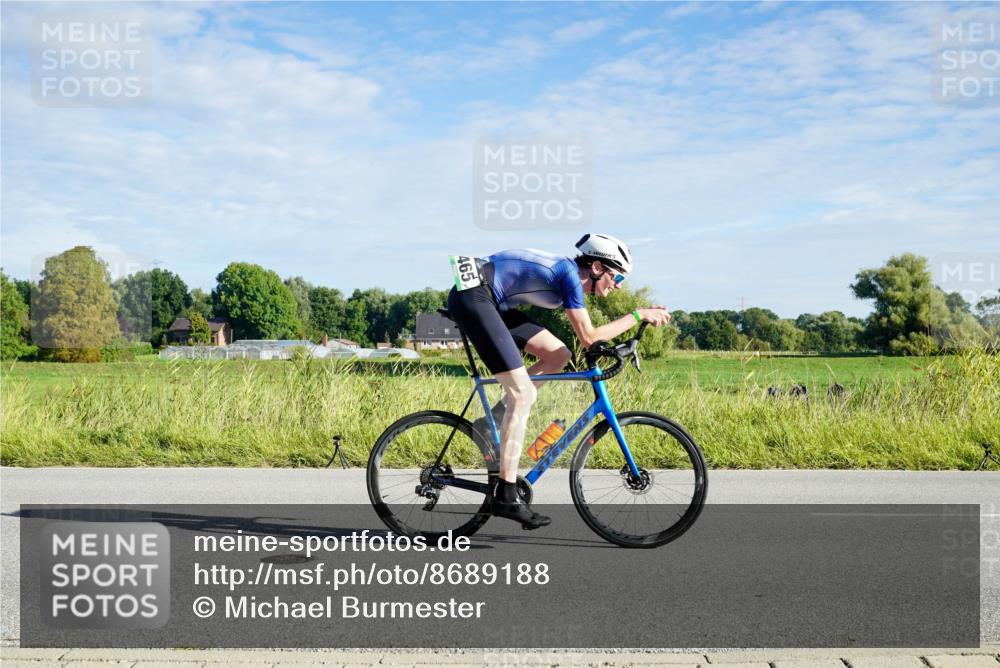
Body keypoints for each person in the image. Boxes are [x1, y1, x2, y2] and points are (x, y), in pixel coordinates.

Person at [445, 234, 673, 529]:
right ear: (595, 267)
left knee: (559, 355)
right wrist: (638, 314)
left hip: (491, 300)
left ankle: (493, 420)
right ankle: (506, 494)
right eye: (616, 276)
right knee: (523, 395)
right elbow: (590, 337)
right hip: (474, 297)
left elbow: (586, 342)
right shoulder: (568, 276)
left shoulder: (569, 277)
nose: (617, 284)